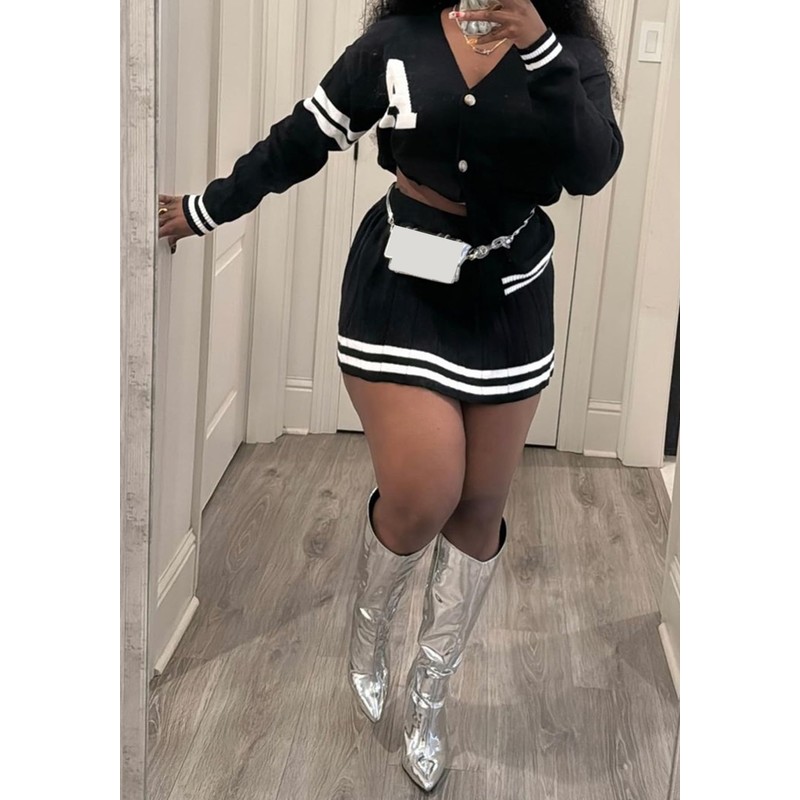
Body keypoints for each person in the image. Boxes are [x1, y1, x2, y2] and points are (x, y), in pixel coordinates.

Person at [158, 0, 623, 791]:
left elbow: (591, 169)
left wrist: (540, 46)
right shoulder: (394, 45)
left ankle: (430, 694)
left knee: (479, 507)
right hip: (404, 282)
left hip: (510, 298)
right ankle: (370, 628)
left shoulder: (570, 53)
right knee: (424, 493)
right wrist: (207, 207)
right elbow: (300, 140)